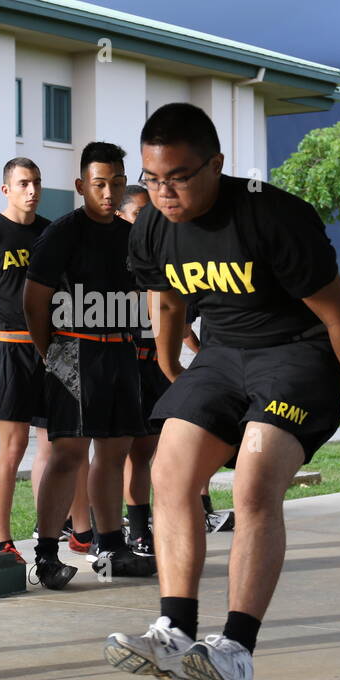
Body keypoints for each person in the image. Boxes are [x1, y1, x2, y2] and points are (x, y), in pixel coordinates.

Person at [103, 103, 340, 680]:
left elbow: (338, 317)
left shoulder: (274, 216)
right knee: (169, 470)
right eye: (152, 178)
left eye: (180, 177)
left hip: (298, 355)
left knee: (254, 483)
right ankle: (174, 629)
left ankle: (236, 651)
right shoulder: (152, 227)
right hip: (223, 353)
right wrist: (171, 370)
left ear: (217, 164)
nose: (164, 192)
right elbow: (165, 302)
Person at [23, 142, 155, 588]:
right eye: (99, 183)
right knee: (69, 454)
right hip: (73, 351)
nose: (109, 192)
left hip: (120, 351)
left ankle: (112, 545)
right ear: (82, 185)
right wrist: (52, 354)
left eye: (117, 183)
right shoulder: (63, 232)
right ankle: (44, 554)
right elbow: (33, 301)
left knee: (114, 453)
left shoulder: (131, 235)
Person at [115, 185, 206, 554]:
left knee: (150, 452)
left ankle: (145, 528)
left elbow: (178, 320)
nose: (146, 221)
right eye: (138, 214)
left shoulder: (163, 257)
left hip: (156, 368)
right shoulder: (115, 261)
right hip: (121, 368)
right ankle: (110, 530)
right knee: (114, 454)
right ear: (122, 216)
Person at [0, 158, 53, 564]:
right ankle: (0, 537)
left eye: (36, 183)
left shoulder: (51, 233)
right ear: (6, 190)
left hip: (49, 350)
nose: (31, 191)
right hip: (7, 347)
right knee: (13, 447)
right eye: (23, 183)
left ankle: (48, 533)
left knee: (54, 444)